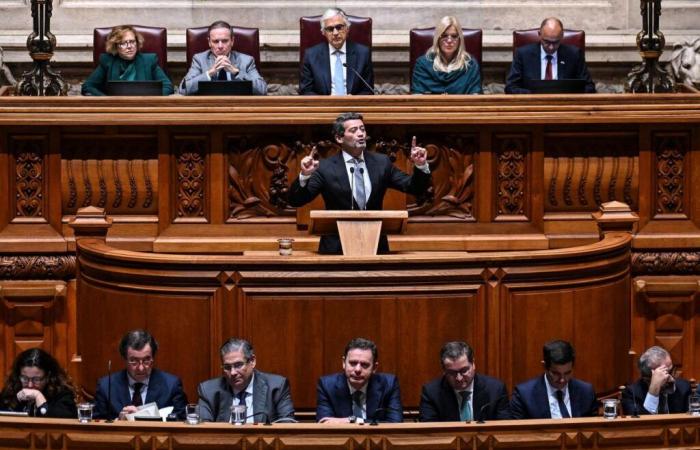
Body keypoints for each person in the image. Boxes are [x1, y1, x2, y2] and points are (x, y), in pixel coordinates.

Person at [287, 112, 432, 254]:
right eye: (354, 130)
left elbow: (415, 188)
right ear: (339, 138)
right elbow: (296, 200)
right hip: (336, 249)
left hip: (376, 247)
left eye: (362, 129)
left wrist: (420, 165)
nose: (361, 134)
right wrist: (305, 175)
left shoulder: (382, 163)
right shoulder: (325, 168)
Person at [94, 329, 187, 420]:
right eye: (134, 361)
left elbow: (182, 421)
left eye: (146, 360)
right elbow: (96, 426)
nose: (141, 368)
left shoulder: (171, 385)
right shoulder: (106, 386)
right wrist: (119, 422)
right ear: (124, 359)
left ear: (153, 358)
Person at [197, 338, 294, 423]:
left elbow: (287, 425)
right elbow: (203, 430)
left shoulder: (276, 387)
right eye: (227, 367)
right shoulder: (208, 391)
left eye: (238, 365)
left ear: (252, 361)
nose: (233, 372)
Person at [317, 337, 402, 423]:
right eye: (353, 363)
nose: (358, 369)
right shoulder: (327, 385)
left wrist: (353, 420)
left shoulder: (389, 384)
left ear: (374, 368)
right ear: (343, 363)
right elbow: (324, 423)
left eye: (364, 365)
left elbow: (396, 424)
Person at [419, 341, 509, 422]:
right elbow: (429, 432)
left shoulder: (495, 390)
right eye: (452, 373)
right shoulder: (431, 393)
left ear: (473, 364)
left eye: (464, 370)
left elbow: (504, 431)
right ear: (444, 370)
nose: (459, 378)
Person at [505, 17, 595, 94]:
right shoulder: (523, 54)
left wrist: (567, 94)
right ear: (539, 35)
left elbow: (589, 87)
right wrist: (534, 95)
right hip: (532, 105)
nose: (551, 47)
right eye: (547, 42)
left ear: (562, 36)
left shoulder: (574, 54)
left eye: (556, 42)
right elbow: (510, 87)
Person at [510, 340, 597, 419]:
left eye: (567, 373)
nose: (562, 380)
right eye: (556, 374)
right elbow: (518, 433)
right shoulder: (524, 395)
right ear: (544, 367)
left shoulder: (586, 392)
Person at [180, 20, 267, 95]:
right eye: (216, 41)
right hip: (208, 107)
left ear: (232, 41)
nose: (220, 46)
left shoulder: (246, 60)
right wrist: (210, 73)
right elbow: (183, 89)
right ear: (209, 42)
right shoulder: (199, 59)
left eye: (225, 41)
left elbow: (262, 90)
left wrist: (236, 72)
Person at [81, 25, 173, 96]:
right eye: (123, 43)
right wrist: (106, 100)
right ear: (115, 46)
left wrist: (149, 100)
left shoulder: (149, 61)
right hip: (115, 111)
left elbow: (168, 86)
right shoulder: (107, 61)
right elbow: (87, 87)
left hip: (144, 109)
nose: (129, 46)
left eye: (132, 42)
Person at [300, 8, 374, 95]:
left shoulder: (363, 54)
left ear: (347, 29)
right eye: (330, 29)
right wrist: (326, 103)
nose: (335, 33)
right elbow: (306, 91)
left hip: (353, 107)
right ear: (324, 32)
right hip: (324, 107)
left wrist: (354, 100)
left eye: (339, 27)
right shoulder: (311, 55)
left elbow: (368, 90)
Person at [411, 16, 482, 95]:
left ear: (460, 39)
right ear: (437, 38)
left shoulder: (470, 65)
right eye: (444, 35)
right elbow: (417, 97)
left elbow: (475, 97)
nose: (449, 40)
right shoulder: (422, 65)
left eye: (454, 36)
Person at [0, 348, 76, 418]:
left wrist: (38, 397)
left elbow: (64, 421)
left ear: (48, 376)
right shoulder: (12, 388)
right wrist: (15, 402)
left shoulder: (62, 393)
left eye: (36, 379)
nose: (30, 385)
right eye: (24, 378)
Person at [621, 346, 692, 415]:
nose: (670, 377)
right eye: (663, 373)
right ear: (647, 378)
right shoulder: (631, 393)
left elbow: (691, 422)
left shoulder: (684, 387)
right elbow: (640, 425)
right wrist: (653, 391)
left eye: (671, 371)